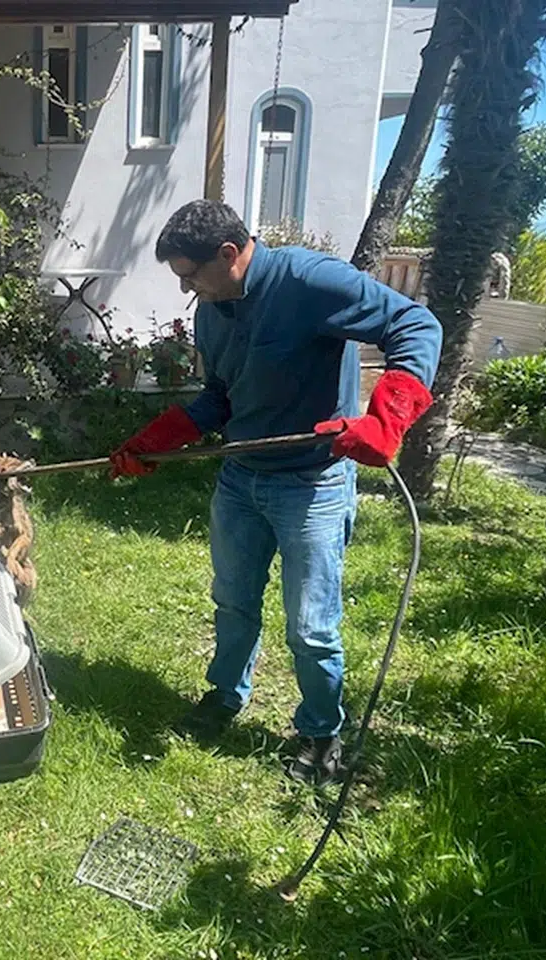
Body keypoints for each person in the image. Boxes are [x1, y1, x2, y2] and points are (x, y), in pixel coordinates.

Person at [109, 200, 442, 785]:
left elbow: (416, 325)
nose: (188, 291)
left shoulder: (310, 281)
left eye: (191, 276)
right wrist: (158, 440)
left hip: (312, 484)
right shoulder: (214, 311)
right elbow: (221, 396)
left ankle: (320, 731)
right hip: (241, 481)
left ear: (229, 254)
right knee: (233, 601)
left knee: (311, 626)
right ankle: (225, 696)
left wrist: (386, 419)